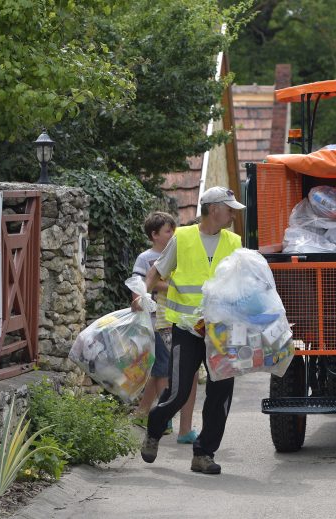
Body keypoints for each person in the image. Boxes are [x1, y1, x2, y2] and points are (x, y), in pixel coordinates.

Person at [138, 186, 244, 475]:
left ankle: (204, 454)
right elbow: (156, 271)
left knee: (220, 394)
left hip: (222, 331)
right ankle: (154, 431)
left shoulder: (234, 242)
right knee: (179, 391)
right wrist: (142, 295)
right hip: (187, 328)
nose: (233, 213)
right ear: (213, 209)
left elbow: (244, 283)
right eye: (229, 207)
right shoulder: (182, 238)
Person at [131, 211, 199, 445]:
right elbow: (140, 286)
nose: (173, 234)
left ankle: (144, 412)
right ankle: (164, 414)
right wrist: (167, 286)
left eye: (174, 229)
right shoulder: (146, 258)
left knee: (163, 368)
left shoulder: (179, 253)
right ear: (154, 235)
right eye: (168, 231)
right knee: (162, 369)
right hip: (157, 320)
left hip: (176, 319)